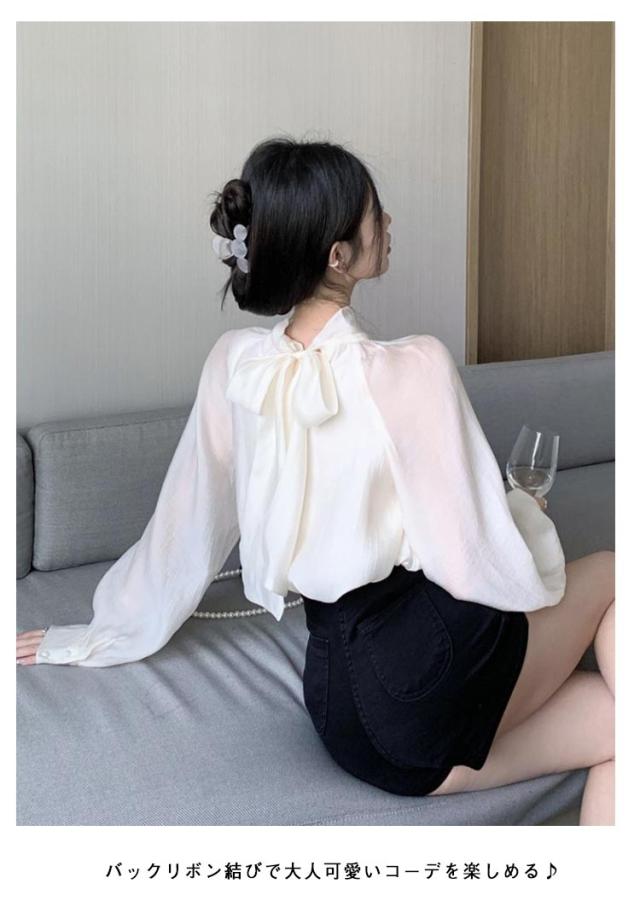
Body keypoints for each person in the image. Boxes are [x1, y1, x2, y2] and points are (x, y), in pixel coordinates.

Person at [16, 137, 614, 824]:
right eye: (375, 214)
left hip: (341, 713)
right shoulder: (414, 367)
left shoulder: (235, 363)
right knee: (611, 573)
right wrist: (526, 520)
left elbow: (184, 526)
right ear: (338, 255)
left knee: (614, 724)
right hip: (426, 675)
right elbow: (477, 562)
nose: (388, 223)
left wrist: (101, 632)